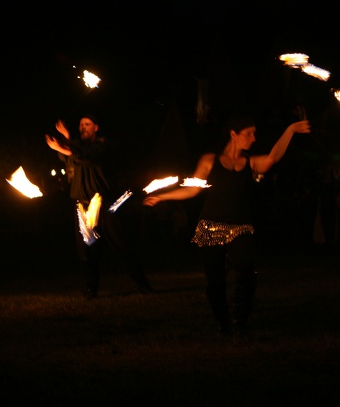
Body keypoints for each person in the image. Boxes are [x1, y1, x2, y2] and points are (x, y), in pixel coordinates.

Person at [143, 115, 311, 336]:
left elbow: (272, 158)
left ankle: (239, 320)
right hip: (210, 225)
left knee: (247, 271)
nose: (253, 138)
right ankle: (223, 323)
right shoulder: (210, 160)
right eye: (248, 133)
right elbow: (193, 189)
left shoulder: (250, 163)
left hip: (241, 226)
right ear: (233, 134)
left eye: (254, 133)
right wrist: (163, 197)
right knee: (215, 282)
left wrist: (290, 130)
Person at [46, 114, 154, 298]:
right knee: (87, 249)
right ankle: (91, 288)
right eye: (80, 124)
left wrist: (66, 139)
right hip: (83, 204)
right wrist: (63, 141)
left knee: (121, 244)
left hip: (105, 203)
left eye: (87, 124)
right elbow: (68, 155)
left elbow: (86, 158)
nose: (83, 127)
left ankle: (142, 284)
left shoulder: (103, 145)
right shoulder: (75, 147)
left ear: (96, 127)